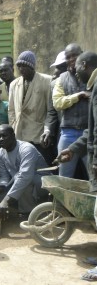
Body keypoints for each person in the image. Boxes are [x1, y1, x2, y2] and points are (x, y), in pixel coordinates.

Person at [0, 125, 50, 220]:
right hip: (21, 181)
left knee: (18, 179)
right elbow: (4, 178)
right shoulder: (1, 152)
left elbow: (25, 176)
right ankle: (22, 209)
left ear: (13, 135)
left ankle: (28, 213)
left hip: (43, 183)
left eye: (4, 136)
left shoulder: (26, 149)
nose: (1, 139)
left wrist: (6, 200)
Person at [56, 51, 97, 192]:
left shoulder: (95, 88)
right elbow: (92, 130)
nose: (75, 70)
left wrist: (95, 162)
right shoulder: (63, 79)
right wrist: (73, 149)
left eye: (77, 64)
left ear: (84, 65)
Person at [8, 50, 52, 165]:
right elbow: (11, 110)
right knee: (22, 166)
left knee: (40, 167)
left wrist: (47, 130)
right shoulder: (14, 84)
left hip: (38, 134)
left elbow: (50, 111)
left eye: (24, 66)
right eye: (19, 66)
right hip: (19, 133)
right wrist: (13, 126)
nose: (21, 69)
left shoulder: (47, 81)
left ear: (32, 66)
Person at [52, 43, 89, 178]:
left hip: (89, 133)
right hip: (68, 133)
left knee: (94, 175)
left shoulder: (92, 76)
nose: (72, 59)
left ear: (82, 55)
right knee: (64, 177)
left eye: (75, 55)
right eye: (68, 57)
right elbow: (57, 103)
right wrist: (78, 96)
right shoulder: (61, 79)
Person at [40, 51, 67, 162]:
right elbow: (52, 112)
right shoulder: (54, 84)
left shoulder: (86, 82)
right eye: (58, 67)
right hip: (63, 133)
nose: (57, 71)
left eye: (61, 67)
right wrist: (47, 131)